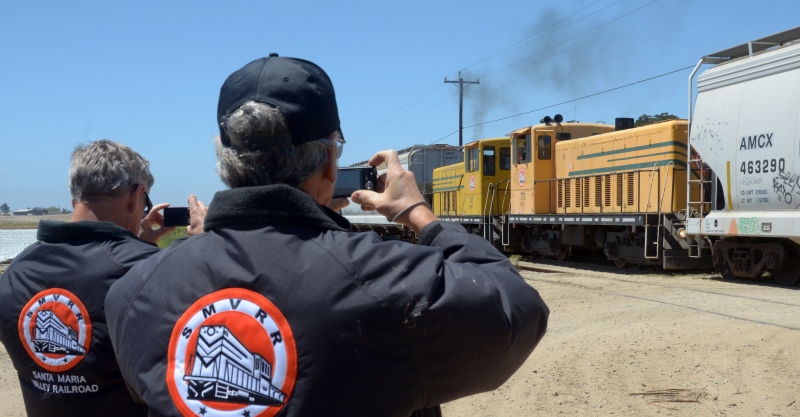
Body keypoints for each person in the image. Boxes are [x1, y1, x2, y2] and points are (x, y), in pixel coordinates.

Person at [105, 54, 549, 417]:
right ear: (330, 165)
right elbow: (518, 313)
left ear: (223, 159)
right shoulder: (389, 281)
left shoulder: (133, 292)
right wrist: (419, 214)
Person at [0, 140, 205, 417]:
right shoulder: (147, 268)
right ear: (136, 196)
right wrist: (204, 245)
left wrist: (135, 242)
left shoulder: (16, 272)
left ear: (75, 199)